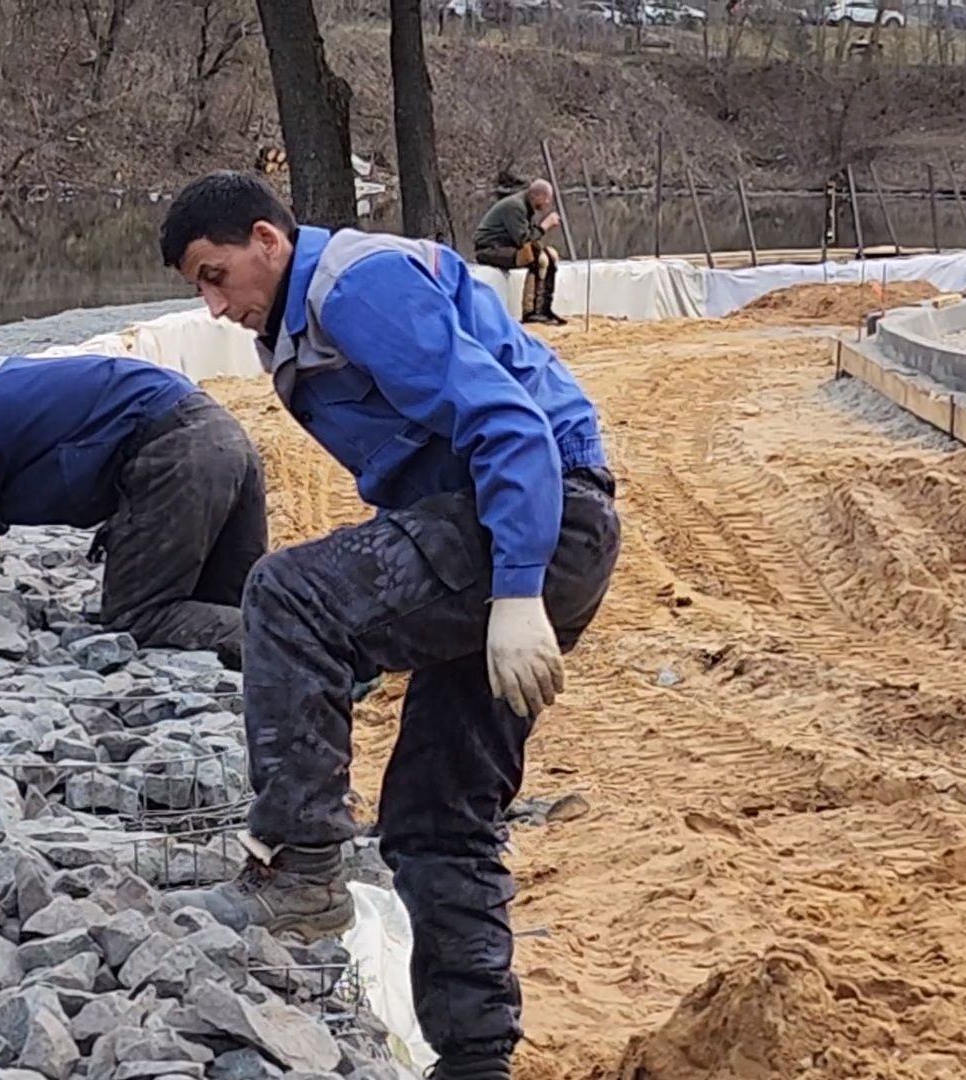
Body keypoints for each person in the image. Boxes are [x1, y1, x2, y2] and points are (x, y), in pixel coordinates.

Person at [156, 172, 620, 1080]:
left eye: (216, 276)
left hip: (534, 515)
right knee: (437, 814)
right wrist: (352, 652)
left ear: (268, 239)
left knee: (287, 594)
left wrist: (520, 589)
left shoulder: (353, 288)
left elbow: (509, 423)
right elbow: (419, 479)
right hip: (506, 527)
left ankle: (303, 865)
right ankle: (477, 1055)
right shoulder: (297, 320)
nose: (214, 305)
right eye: (199, 288)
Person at [0, 353, 266, 669]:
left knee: (141, 614)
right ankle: (312, 650)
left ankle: (302, 648)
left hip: (177, 454)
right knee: (229, 600)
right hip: (220, 432)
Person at [472, 178, 567, 326]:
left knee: (550, 255)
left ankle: (544, 308)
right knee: (534, 257)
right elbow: (524, 239)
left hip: (505, 246)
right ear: (536, 196)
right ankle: (530, 311)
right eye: (547, 198)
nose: (548, 203)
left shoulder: (526, 207)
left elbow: (528, 237)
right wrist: (545, 225)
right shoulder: (515, 207)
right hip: (489, 249)